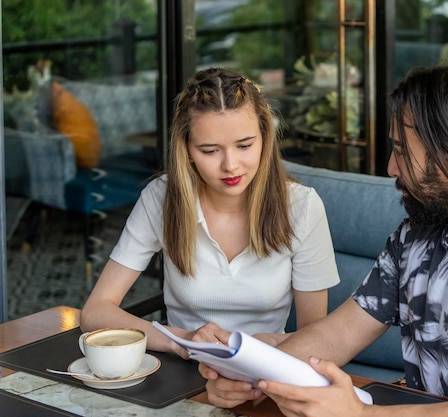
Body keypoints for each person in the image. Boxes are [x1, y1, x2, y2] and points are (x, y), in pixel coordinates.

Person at [199, 65, 448, 417]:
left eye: (402, 151)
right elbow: (336, 335)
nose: (391, 167)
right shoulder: (415, 239)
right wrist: (249, 378)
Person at [80, 68, 340, 358]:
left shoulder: (302, 207)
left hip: (268, 372)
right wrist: (182, 340)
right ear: (188, 149)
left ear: (265, 138)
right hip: (184, 370)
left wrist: (273, 349)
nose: (230, 165)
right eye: (210, 150)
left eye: (244, 145)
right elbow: (95, 312)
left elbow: (316, 339)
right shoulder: (162, 198)